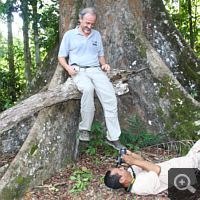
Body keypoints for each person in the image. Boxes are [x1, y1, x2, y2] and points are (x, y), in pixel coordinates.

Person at [58, 7, 125, 150]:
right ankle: (84, 129)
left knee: (110, 98)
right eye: (87, 23)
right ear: (80, 19)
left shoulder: (96, 35)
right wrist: (68, 68)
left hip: (95, 70)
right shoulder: (70, 35)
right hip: (78, 70)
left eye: (92, 24)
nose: (89, 27)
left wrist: (104, 64)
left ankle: (113, 138)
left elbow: (100, 54)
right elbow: (61, 56)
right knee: (88, 89)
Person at [104, 140, 200, 195]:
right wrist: (133, 161)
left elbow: (143, 162)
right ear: (122, 180)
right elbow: (156, 170)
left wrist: (131, 155)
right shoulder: (139, 187)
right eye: (120, 170)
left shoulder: (131, 173)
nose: (122, 168)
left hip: (184, 161)